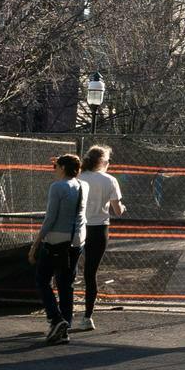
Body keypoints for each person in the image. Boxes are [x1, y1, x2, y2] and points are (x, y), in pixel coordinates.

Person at [28, 152, 87, 344]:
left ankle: (55, 318)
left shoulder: (57, 187)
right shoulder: (83, 186)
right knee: (66, 284)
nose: (54, 170)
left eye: (57, 167)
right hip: (77, 240)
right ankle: (64, 328)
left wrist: (36, 243)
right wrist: (63, 162)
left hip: (56, 241)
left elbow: (50, 218)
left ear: (62, 168)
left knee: (42, 279)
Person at [77, 144, 125, 332]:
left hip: (79, 226)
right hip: (99, 229)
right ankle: (87, 316)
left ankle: (63, 314)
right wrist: (122, 208)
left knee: (70, 269)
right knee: (91, 273)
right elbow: (117, 210)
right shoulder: (110, 180)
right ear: (104, 162)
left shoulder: (79, 177)